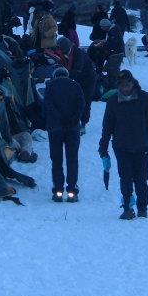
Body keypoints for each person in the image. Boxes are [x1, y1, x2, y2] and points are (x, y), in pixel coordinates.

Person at [98, 70, 148, 219]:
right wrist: (103, 146)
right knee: (125, 178)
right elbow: (107, 126)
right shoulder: (113, 101)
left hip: (142, 146)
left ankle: (142, 208)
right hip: (121, 146)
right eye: (121, 85)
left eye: (127, 84)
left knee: (141, 179)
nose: (125, 88)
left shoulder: (145, 98)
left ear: (132, 83)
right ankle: (127, 208)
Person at [43, 67, 85, 202]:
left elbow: (47, 106)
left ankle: (58, 191)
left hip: (55, 128)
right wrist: (73, 119)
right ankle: (72, 190)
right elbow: (81, 104)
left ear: (54, 75)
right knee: (72, 159)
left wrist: (57, 119)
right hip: (72, 128)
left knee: (56, 160)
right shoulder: (75, 85)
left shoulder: (50, 86)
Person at [56, 35, 97, 134]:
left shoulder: (78, 54)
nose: (60, 52)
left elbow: (77, 70)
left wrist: (65, 79)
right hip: (77, 79)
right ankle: (72, 120)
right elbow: (62, 65)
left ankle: (83, 124)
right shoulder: (65, 53)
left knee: (85, 101)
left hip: (88, 79)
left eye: (62, 50)